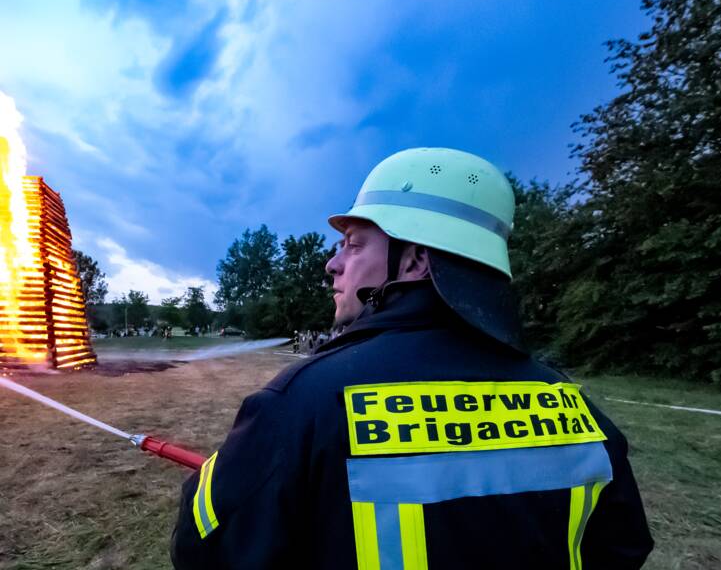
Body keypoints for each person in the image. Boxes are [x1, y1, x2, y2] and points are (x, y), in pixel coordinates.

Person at [171, 148, 653, 569]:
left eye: (354, 244)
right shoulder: (573, 406)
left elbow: (203, 549)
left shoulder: (302, 404)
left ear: (417, 259)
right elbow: (624, 548)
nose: (332, 264)